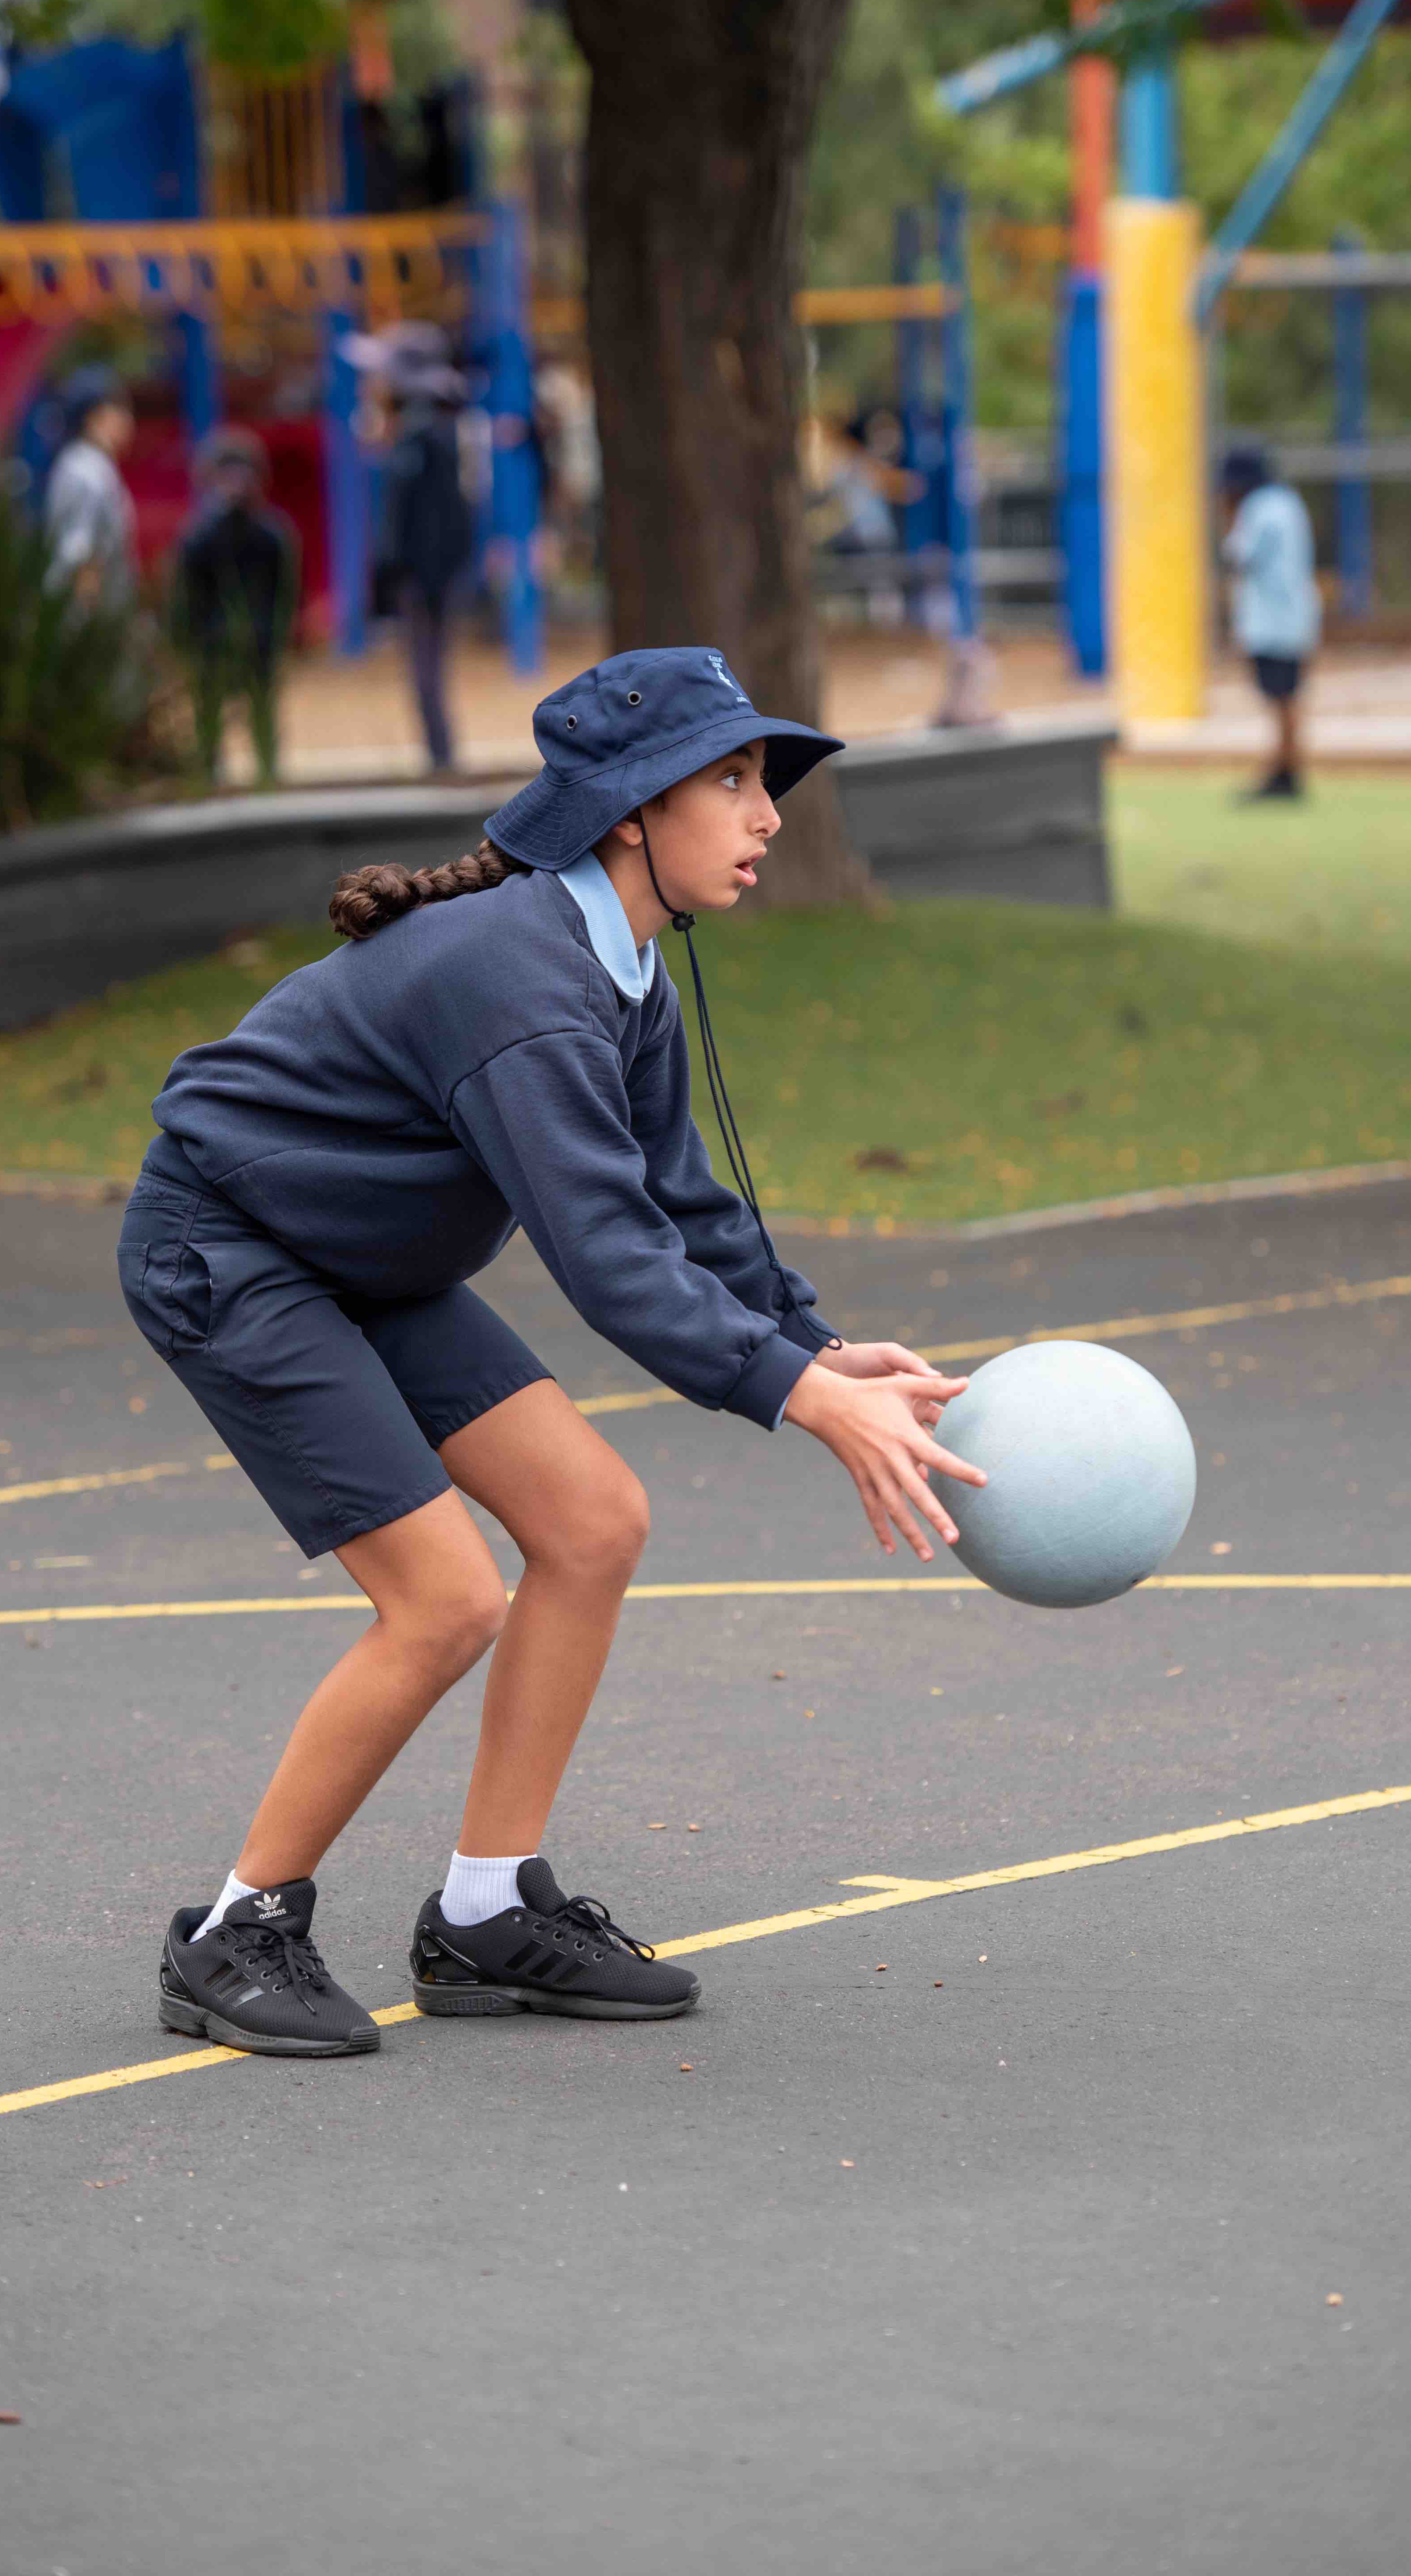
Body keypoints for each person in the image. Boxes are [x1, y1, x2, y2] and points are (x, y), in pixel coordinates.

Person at [119, 644, 987, 2055]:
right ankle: (235, 1929)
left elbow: (683, 1206)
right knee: (445, 1600)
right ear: (634, 812)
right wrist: (809, 1403)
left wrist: (821, 1346)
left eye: (763, 783)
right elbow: (611, 1261)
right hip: (233, 1251)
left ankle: (484, 1910)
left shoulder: (625, 968)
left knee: (593, 1520)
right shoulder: (518, 980)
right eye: (732, 780)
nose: (768, 815)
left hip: (364, 1259)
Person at [348, 320, 472, 773]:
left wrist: (392, 575)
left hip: (423, 574)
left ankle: (441, 758)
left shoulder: (419, 437)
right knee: (428, 667)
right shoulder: (439, 428)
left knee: (426, 668)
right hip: (433, 570)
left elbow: (408, 518)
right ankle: (440, 754)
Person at [170, 429, 300, 792]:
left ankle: (267, 779)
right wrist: (191, 641)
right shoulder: (199, 537)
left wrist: (277, 637)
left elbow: (285, 595)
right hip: (213, 646)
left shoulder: (272, 535)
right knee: (209, 720)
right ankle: (209, 780)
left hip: (258, 645)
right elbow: (187, 598)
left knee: (263, 718)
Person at [1219, 445, 1322, 803]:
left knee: (1281, 699)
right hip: (1295, 614)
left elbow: (1239, 555)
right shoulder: (1289, 503)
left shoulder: (1257, 508)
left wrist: (1229, 520)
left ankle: (1284, 772)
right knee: (1287, 697)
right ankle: (1286, 768)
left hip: (1273, 620)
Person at [45, 368, 138, 620]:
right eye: (119, 409)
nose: (128, 420)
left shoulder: (92, 466)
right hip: (85, 623)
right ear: (93, 417)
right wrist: (88, 631)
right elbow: (81, 560)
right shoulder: (85, 471)